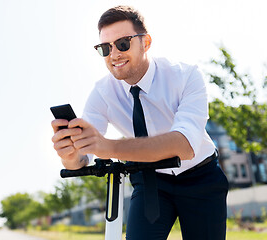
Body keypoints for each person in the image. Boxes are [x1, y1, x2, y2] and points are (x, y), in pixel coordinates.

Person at [51, 5, 228, 240]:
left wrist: (107, 147)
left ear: (146, 43)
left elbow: (184, 146)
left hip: (201, 178)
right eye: (105, 48)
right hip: (149, 179)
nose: (114, 55)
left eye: (123, 43)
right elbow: (84, 157)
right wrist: (70, 154)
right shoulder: (102, 93)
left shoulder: (185, 76)